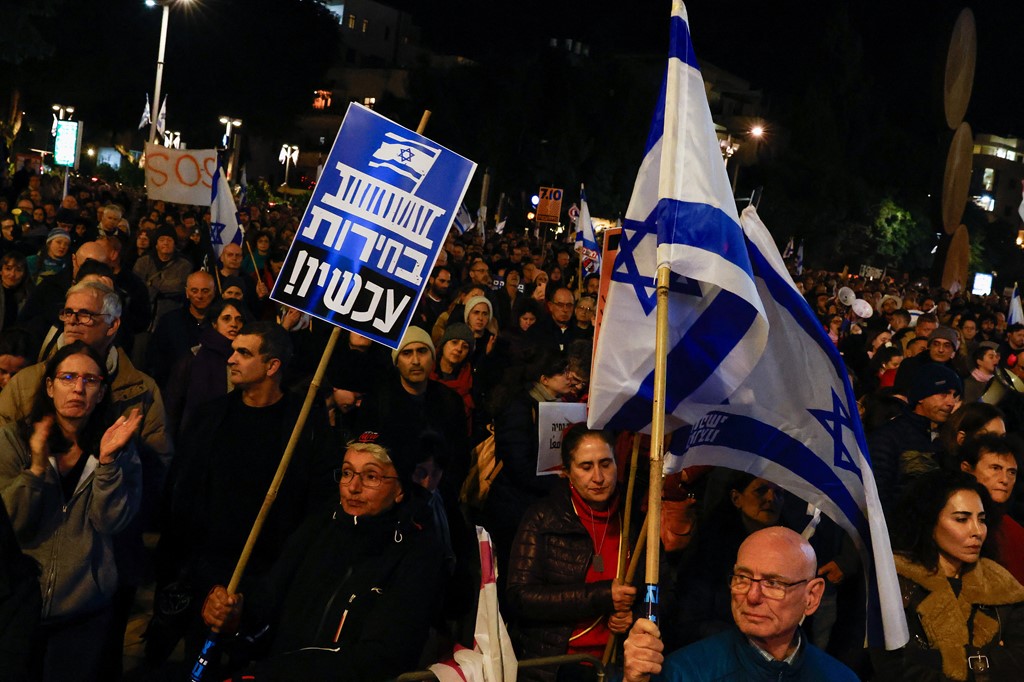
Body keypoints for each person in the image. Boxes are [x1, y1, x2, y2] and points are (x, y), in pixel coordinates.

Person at [200, 431, 444, 681]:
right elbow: (266, 608)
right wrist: (237, 616)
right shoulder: (319, 527)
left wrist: (278, 673)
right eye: (347, 472)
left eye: (371, 476)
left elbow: (383, 657)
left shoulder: (416, 550)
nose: (353, 487)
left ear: (400, 489)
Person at [0, 342, 143, 682]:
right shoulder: (15, 440)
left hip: (83, 611)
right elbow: (9, 524)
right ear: (49, 386)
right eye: (67, 377)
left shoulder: (118, 446)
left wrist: (107, 463)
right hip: (17, 604)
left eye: (90, 380)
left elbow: (111, 521)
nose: (78, 388)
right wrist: (36, 468)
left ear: (101, 392)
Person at [623, 527, 857, 682]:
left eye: (773, 583)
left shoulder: (839, 678)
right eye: (743, 579)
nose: (753, 596)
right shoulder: (683, 673)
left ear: (812, 596)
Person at [506, 425, 636, 681]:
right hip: (560, 662)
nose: (598, 477)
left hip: (621, 659)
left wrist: (638, 614)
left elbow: (663, 589)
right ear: (567, 472)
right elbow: (519, 597)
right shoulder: (543, 517)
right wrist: (601, 596)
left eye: (606, 464)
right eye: (586, 467)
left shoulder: (633, 518)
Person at [874, 470, 1024, 681]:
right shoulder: (895, 582)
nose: (977, 531)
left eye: (981, 520)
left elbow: (1019, 662)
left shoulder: (1001, 584)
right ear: (929, 522)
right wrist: (988, 661)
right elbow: (895, 668)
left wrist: (944, 660)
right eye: (962, 519)